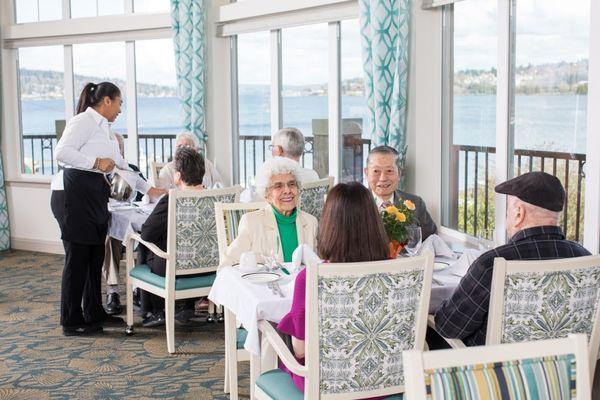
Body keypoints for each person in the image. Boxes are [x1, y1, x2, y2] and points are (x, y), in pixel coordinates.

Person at [50, 82, 164, 336]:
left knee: (94, 258)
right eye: (120, 103)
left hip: (94, 193)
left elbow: (122, 167)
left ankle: (94, 312)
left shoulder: (106, 131)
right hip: (75, 192)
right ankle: (70, 320)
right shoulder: (83, 121)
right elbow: (61, 152)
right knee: (77, 259)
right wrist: (95, 162)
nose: (121, 109)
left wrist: (150, 190)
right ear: (107, 101)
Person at [433, 171, 590, 347]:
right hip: (561, 370)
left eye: (507, 210)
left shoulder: (491, 263)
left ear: (518, 213)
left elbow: (448, 326)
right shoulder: (586, 258)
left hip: (496, 372)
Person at [277, 182, 390, 395]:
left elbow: (300, 351)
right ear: (374, 222)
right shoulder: (396, 274)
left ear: (329, 225)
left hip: (323, 386)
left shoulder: (310, 277)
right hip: (385, 382)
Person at [139, 147, 206, 327]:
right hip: (208, 266)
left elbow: (147, 233)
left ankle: (154, 310)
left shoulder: (172, 199)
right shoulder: (214, 198)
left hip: (175, 266)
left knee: (145, 247)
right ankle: (187, 306)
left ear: (177, 176)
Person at [220, 156, 318, 267]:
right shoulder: (251, 222)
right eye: (278, 186)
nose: (287, 190)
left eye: (292, 184)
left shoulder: (311, 222)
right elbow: (227, 264)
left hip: (300, 284)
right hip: (263, 284)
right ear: (267, 195)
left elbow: (317, 267)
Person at [102, 132, 148, 315]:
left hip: (133, 223)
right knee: (110, 237)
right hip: (113, 227)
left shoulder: (131, 169)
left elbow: (145, 194)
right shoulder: (99, 174)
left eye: (118, 147)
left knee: (149, 233)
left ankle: (139, 289)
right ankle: (113, 291)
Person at [364, 145, 437, 240]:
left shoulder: (415, 203)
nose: (383, 178)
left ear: (399, 173)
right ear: (366, 173)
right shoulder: (354, 204)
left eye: (389, 171)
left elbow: (432, 239)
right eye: (376, 171)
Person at [240, 128, 319, 203]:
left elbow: (247, 201)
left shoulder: (272, 180)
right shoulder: (313, 175)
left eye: (273, 147)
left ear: (278, 150)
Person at [155, 132, 222, 190]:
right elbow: (162, 193)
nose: (183, 149)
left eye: (187, 146)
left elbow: (219, 184)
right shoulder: (168, 169)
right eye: (179, 146)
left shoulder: (206, 164)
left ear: (196, 149)